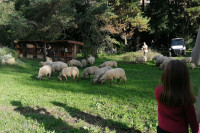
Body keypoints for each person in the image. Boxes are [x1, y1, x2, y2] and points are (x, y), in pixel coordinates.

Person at [155, 60, 198, 133]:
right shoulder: (185, 98)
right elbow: (192, 120)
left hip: (162, 129)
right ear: (185, 78)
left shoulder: (158, 91)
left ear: (165, 75)